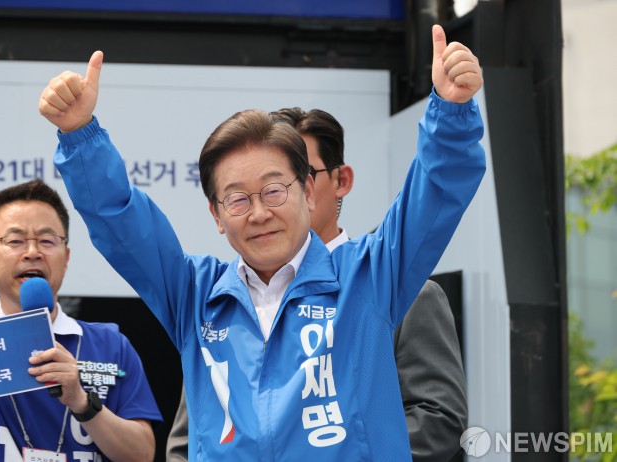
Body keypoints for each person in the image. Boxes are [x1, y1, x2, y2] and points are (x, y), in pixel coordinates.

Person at [39, 24, 485, 460]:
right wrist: (80, 136)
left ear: (307, 193)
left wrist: (450, 112)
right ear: (216, 215)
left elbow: (434, 195)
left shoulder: (369, 276)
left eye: (274, 190)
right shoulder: (196, 295)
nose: (258, 213)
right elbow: (121, 221)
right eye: (237, 199)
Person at [165, 105, 468, 461]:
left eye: (278, 184)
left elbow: (438, 418)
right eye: (244, 194)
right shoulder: (223, 301)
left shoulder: (399, 287)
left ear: (323, 184)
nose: (264, 207)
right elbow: (190, 437)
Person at [0, 97, 162, 461]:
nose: (33, 252)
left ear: (66, 257)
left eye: (48, 241)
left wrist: (82, 401)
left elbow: (141, 454)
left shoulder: (109, 345)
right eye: (15, 241)